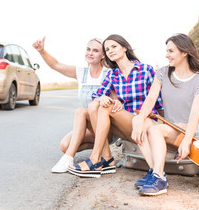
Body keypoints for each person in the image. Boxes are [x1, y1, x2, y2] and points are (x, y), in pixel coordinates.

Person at [68, 34, 163, 178]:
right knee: (95, 105)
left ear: (124, 48)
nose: (110, 51)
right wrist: (103, 97)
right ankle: (105, 158)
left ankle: (96, 159)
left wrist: (163, 127)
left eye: (114, 46)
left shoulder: (145, 70)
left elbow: (158, 101)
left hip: (143, 122)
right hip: (125, 125)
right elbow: (96, 96)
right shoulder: (113, 74)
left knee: (103, 107)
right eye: (107, 49)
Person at [132, 33, 199, 196]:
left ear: (184, 52)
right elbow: (151, 99)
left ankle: (159, 179)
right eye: (166, 51)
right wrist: (139, 120)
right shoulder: (162, 73)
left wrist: (186, 142)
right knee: (138, 121)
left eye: (171, 51)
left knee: (155, 130)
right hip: (172, 127)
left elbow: (195, 114)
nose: (166, 55)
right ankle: (155, 171)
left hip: (195, 130)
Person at [32, 37, 119, 173]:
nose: (90, 53)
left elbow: (116, 101)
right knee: (64, 145)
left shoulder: (108, 74)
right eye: (88, 49)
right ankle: (102, 152)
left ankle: (68, 158)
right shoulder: (81, 73)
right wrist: (42, 51)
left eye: (95, 51)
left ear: (103, 55)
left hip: (107, 127)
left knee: (81, 111)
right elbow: (56, 65)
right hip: (90, 125)